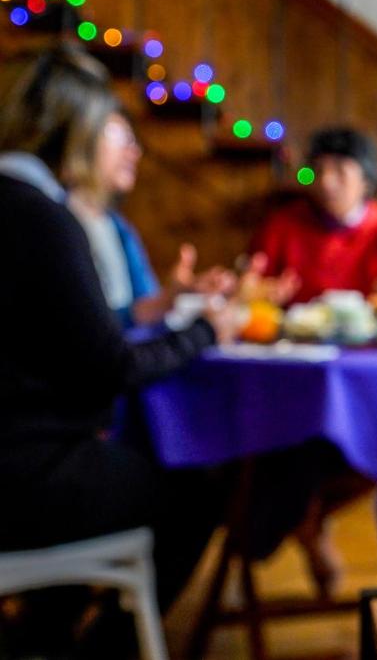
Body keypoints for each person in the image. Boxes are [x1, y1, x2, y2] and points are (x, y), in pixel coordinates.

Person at [0, 44, 233, 656]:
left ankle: (38, 634)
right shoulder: (43, 219)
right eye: (109, 125)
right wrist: (208, 331)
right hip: (24, 479)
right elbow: (112, 367)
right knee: (199, 492)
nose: (120, 143)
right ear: (74, 128)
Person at [66, 109, 234, 328]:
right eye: (120, 137)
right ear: (82, 141)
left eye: (133, 141)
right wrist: (166, 301)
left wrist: (179, 294)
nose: (134, 151)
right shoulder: (56, 220)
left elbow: (143, 308)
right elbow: (83, 325)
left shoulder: (118, 227)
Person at [253, 127, 377, 303]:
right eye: (319, 170)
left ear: (366, 180)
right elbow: (253, 283)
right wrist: (260, 292)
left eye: (340, 171)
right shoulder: (283, 223)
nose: (325, 182)